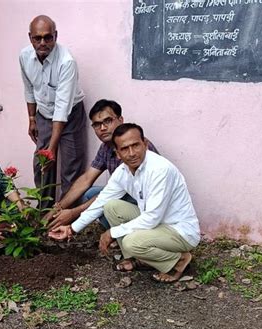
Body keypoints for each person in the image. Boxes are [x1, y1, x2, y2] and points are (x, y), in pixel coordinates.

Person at [50, 123, 200, 283]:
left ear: (145, 144)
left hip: (180, 232)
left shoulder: (160, 170)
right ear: (118, 153)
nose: (132, 153)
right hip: (158, 226)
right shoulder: (123, 172)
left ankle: (179, 260)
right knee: (111, 207)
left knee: (130, 242)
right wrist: (72, 228)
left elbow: (152, 218)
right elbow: (101, 202)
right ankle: (138, 259)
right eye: (125, 149)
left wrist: (112, 232)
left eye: (135, 145)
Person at [45, 99, 158, 229]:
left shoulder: (132, 147)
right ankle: (114, 231)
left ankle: (126, 235)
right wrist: (58, 208)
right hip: (122, 196)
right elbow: (86, 179)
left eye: (108, 121)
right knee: (91, 193)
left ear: (120, 120)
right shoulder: (106, 147)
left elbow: (117, 193)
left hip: (148, 206)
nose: (103, 128)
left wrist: (73, 213)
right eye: (97, 124)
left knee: (110, 203)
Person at [19, 15, 87, 208]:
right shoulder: (24, 56)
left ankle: (65, 217)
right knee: (42, 164)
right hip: (43, 114)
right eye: (37, 38)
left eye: (48, 37)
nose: (43, 43)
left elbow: (62, 107)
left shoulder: (67, 62)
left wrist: (52, 148)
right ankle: (44, 212)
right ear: (30, 37)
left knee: (70, 168)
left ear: (55, 36)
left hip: (70, 114)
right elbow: (29, 88)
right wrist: (32, 118)